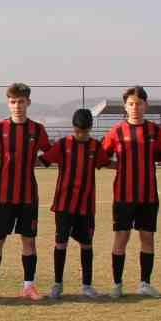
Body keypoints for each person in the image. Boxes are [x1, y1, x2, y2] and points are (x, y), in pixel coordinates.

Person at [99, 86, 161, 297]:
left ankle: (144, 283)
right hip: (123, 196)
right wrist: (116, 166)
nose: (135, 108)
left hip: (148, 195)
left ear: (146, 105)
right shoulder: (116, 131)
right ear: (125, 106)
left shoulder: (154, 131)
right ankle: (117, 285)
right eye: (131, 104)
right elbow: (102, 158)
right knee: (121, 237)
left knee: (147, 237)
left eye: (139, 103)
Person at [0, 83, 51, 301]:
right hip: (2, 195)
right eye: (13, 102)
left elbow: (50, 153)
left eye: (21, 101)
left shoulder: (37, 130)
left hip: (28, 195)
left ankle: (28, 286)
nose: (17, 106)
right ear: (8, 103)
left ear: (28, 102)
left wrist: (37, 161)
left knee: (29, 241)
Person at [41, 108, 107, 299]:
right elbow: (43, 160)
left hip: (86, 206)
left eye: (84, 132)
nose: (80, 135)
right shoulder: (63, 145)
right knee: (61, 243)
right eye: (77, 131)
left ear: (90, 129)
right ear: (73, 128)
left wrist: (125, 166)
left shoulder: (95, 146)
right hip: (63, 205)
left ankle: (87, 285)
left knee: (87, 245)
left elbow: (105, 162)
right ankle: (57, 284)